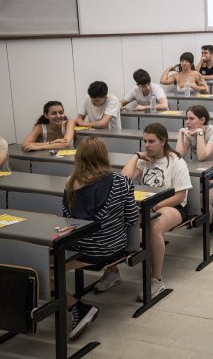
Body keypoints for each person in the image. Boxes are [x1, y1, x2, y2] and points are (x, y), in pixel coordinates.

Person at [62, 137, 137, 340]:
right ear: (104, 156)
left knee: (41, 272)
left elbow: (69, 221)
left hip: (82, 248)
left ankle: (74, 305)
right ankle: (76, 306)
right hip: (113, 246)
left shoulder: (70, 183)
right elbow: (132, 217)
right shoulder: (122, 181)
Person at [122, 123, 193, 301]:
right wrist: (136, 156)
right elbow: (124, 180)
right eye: (144, 141)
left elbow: (180, 196)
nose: (147, 145)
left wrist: (155, 206)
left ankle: (157, 279)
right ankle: (112, 270)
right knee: (113, 219)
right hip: (145, 205)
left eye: (151, 141)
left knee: (153, 227)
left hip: (172, 207)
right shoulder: (144, 159)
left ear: (163, 141)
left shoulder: (176, 162)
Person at [176, 105, 213, 231]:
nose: (188, 122)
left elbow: (202, 156)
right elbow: (179, 155)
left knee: (202, 198)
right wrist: (181, 134)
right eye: (187, 119)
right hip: (202, 174)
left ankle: (211, 216)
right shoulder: (190, 132)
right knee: (190, 196)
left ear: (202, 120)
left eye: (191, 119)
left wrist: (200, 133)